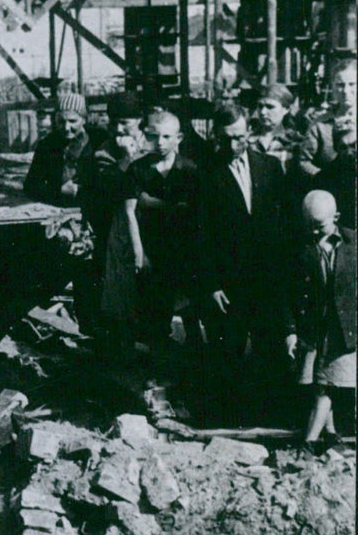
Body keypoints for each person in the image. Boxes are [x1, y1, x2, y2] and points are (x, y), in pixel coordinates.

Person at [198, 102, 292, 418]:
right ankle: (230, 418)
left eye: (238, 137)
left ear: (248, 132)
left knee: (271, 348)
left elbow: (284, 225)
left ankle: (274, 415)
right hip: (228, 282)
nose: (232, 145)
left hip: (267, 278)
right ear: (214, 137)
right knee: (229, 349)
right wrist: (211, 284)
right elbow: (199, 236)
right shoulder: (204, 174)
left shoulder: (271, 167)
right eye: (225, 139)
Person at [114, 108, 200, 352]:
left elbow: (194, 212)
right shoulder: (138, 169)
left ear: (179, 138)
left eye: (166, 137)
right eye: (153, 136)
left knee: (190, 308)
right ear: (145, 136)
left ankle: (196, 361)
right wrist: (139, 252)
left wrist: (154, 203)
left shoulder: (189, 170)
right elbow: (130, 211)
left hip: (183, 247)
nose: (160, 143)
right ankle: (158, 364)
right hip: (152, 246)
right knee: (155, 308)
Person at [286, 190, 356, 449]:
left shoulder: (353, 245)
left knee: (327, 386)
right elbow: (287, 294)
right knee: (319, 384)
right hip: (312, 328)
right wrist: (290, 331)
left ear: (336, 217)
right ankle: (329, 433)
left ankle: (310, 441)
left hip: (342, 329)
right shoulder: (299, 248)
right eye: (309, 226)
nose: (314, 232)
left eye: (320, 226)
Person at [72, 91, 146, 332]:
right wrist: (126, 158)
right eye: (113, 123)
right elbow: (111, 187)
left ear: (139, 120)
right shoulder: (105, 151)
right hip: (119, 225)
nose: (118, 129)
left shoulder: (152, 141)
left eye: (125, 122)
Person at [23, 90, 89, 207]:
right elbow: (30, 187)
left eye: (72, 121)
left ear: (84, 119)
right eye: (61, 121)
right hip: (59, 210)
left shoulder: (97, 141)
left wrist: (80, 190)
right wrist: (58, 190)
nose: (66, 127)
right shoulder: (47, 145)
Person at [249, 82, 298, 169]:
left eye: (270, 107)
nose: (263, 112)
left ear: (286, 109)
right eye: (260, 106)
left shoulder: (295, 142)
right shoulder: (247, 141)